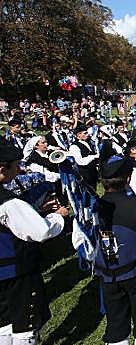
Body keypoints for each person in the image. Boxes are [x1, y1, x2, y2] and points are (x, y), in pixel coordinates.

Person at [0, 144, 67, 345]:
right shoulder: (8, 202)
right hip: (16, 271)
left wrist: (37, 213)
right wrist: (57, 217)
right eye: (16, 165)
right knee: (24, 326)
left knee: (4, 321)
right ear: (3, 169)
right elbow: (40, 231)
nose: (19, 169)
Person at [94, 156, 136, 345]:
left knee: (115, 320)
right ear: (127, 179)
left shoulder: (91, 209)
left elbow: (81, 242)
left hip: (108, 274)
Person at [68, 123, 99, 191]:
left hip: (92, 172)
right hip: (84, 174)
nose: (87, 135)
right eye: (85, 133)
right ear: (78, 135)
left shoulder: (88, 142)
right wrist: (93, 157)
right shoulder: (74, 146)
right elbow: (80, 161)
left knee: (94, 190)